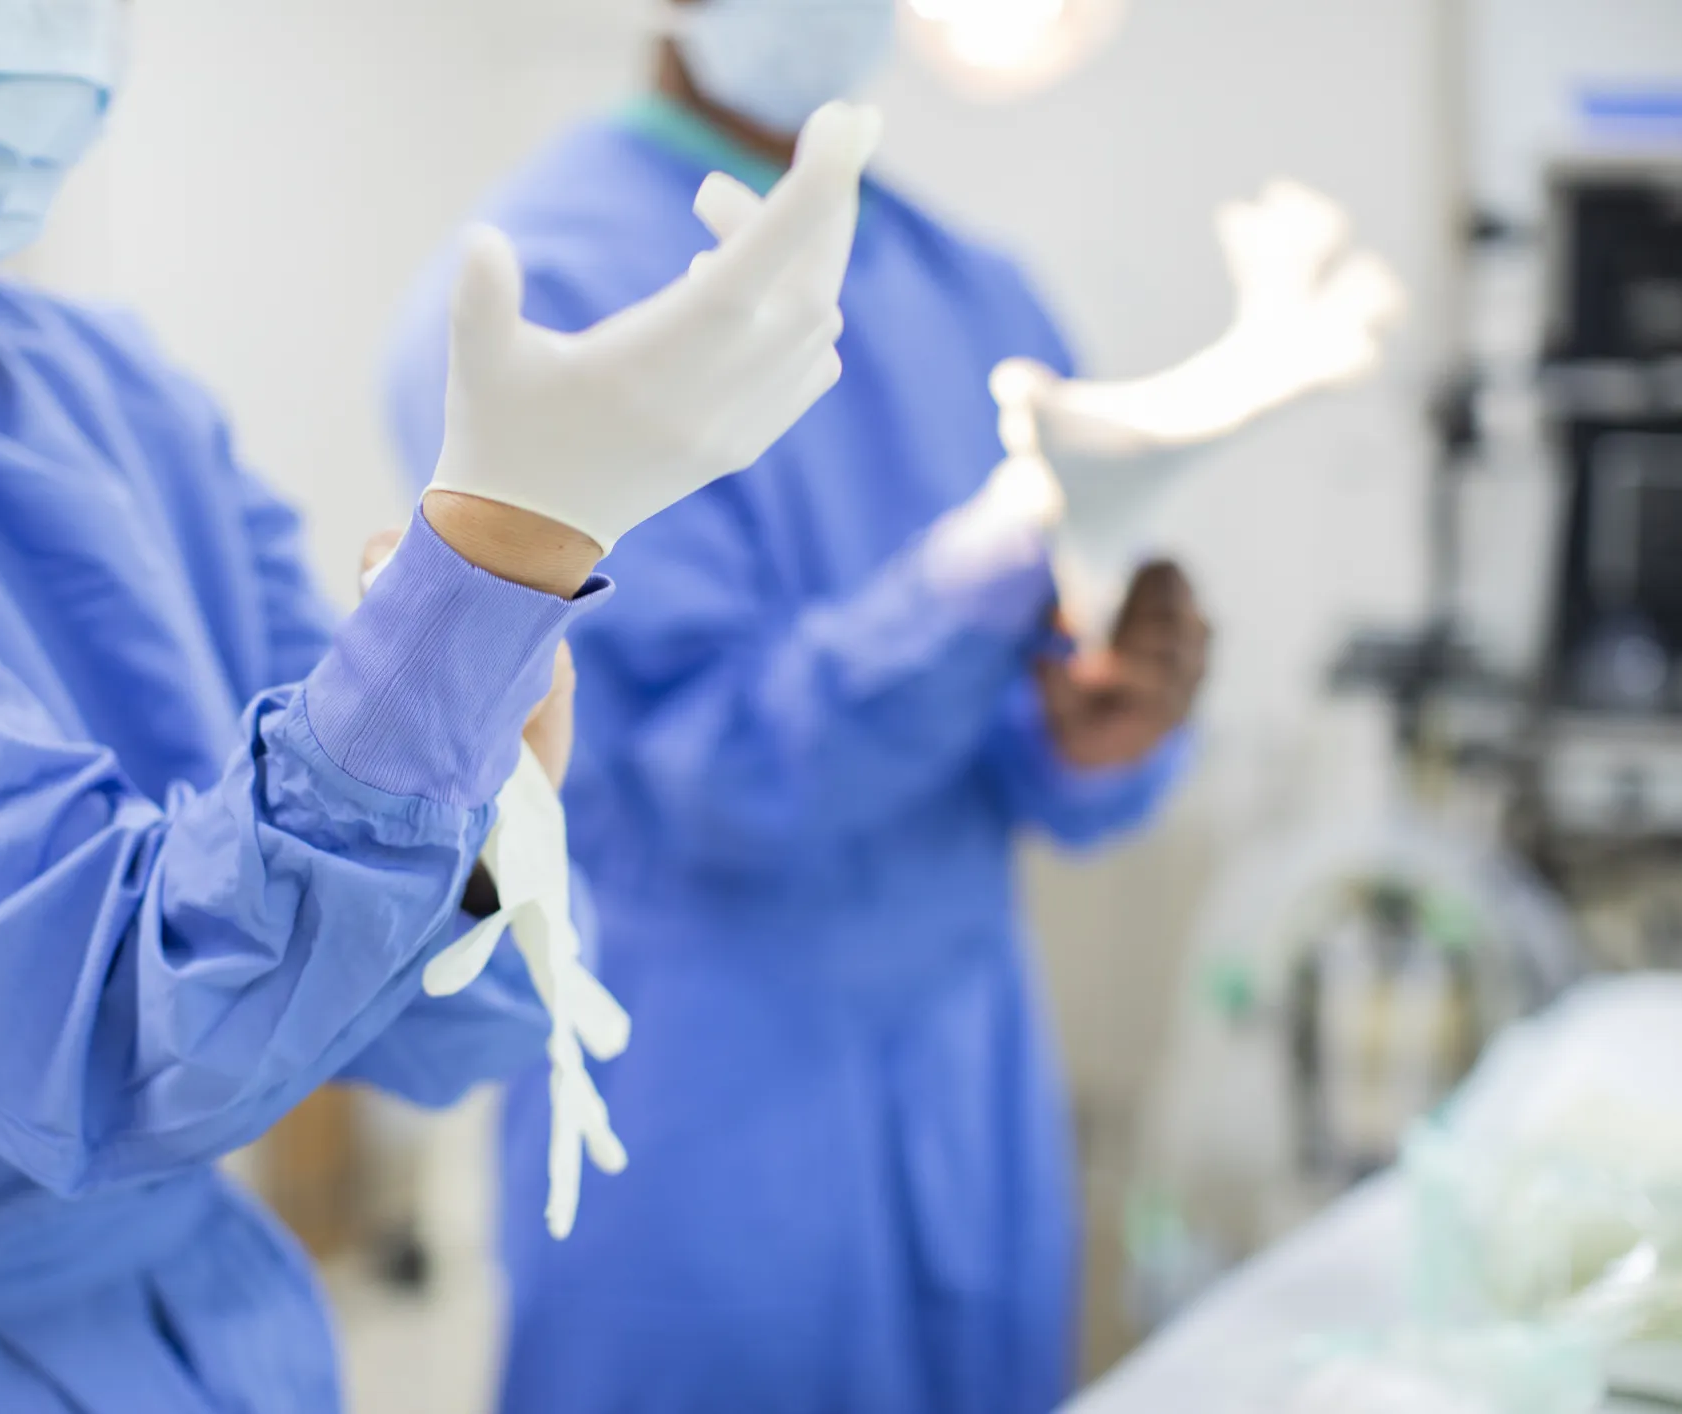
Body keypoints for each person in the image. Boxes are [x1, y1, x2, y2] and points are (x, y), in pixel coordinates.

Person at [0, 0, 874, 1409]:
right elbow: (101, 1024)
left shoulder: (116, 391)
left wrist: (489, 727)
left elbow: (409, 1008)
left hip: (211, 1340)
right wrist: (491, 572)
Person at [385, 2, 1212, 1411]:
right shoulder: (544, 287)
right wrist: (965, 584)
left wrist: (1104, 728)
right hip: (703, 1085)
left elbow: (1033, 743)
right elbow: (701, 782)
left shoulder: (975, 289)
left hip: (971, 1076)